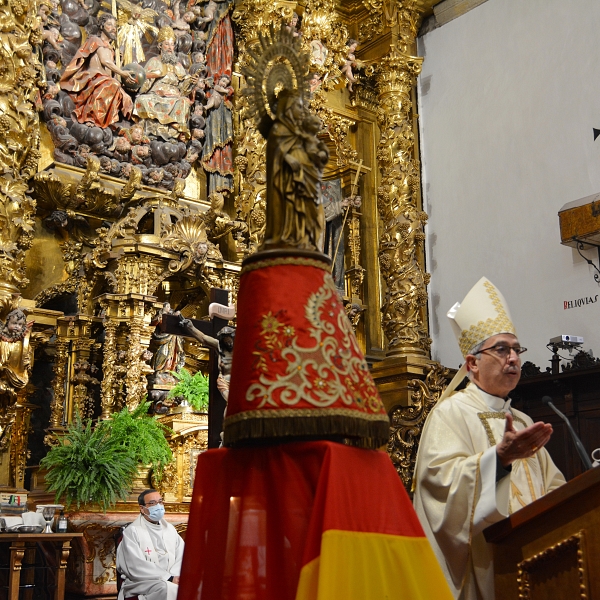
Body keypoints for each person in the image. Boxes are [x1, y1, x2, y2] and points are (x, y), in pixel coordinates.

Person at [413, 277, 565, 600]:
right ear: (472, 364)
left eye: (516, 349)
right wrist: (498, 460)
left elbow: (555, 491)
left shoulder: (522, 421)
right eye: (501, 349)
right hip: (486, 571)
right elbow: (438, 488)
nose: (513, 358)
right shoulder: (449, 415)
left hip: (539, 564)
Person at [60, 14, 136, 128]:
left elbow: (110, 72)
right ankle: (91, 116)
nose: (113, 28)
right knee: (111, 84)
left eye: (115, 26)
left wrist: (117, 60)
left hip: (105, 80)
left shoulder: (111, 49)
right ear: (102, 26)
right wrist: (122, 73)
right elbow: (105, 61)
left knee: (124, 96)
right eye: (109, 24)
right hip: (93, 78)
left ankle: (106, 120)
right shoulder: (96, 40)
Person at [116, 489, 184, 600]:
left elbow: (182, 555)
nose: (158, 506)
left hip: (172, 577)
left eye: (160, 502)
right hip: (142, 581)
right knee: (165, 588)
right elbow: (136, 566)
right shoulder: (132, 532)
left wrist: (175, 576)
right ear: (142, 509)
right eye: (152, 503)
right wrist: (168, 578)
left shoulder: (170, 529)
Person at [134, 26, 198, 139]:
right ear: (160, 46)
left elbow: (183, 87)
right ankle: (173, 125)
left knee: (183, 102)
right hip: (155, 96)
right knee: (141, 100)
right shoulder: (153, 61)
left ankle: (175, 131)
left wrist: (191, 82)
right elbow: (143, 81)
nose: (170, 48)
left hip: (174, 97)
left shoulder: (178, 65)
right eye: (167, 44)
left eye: (172, 44)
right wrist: (154, 75)